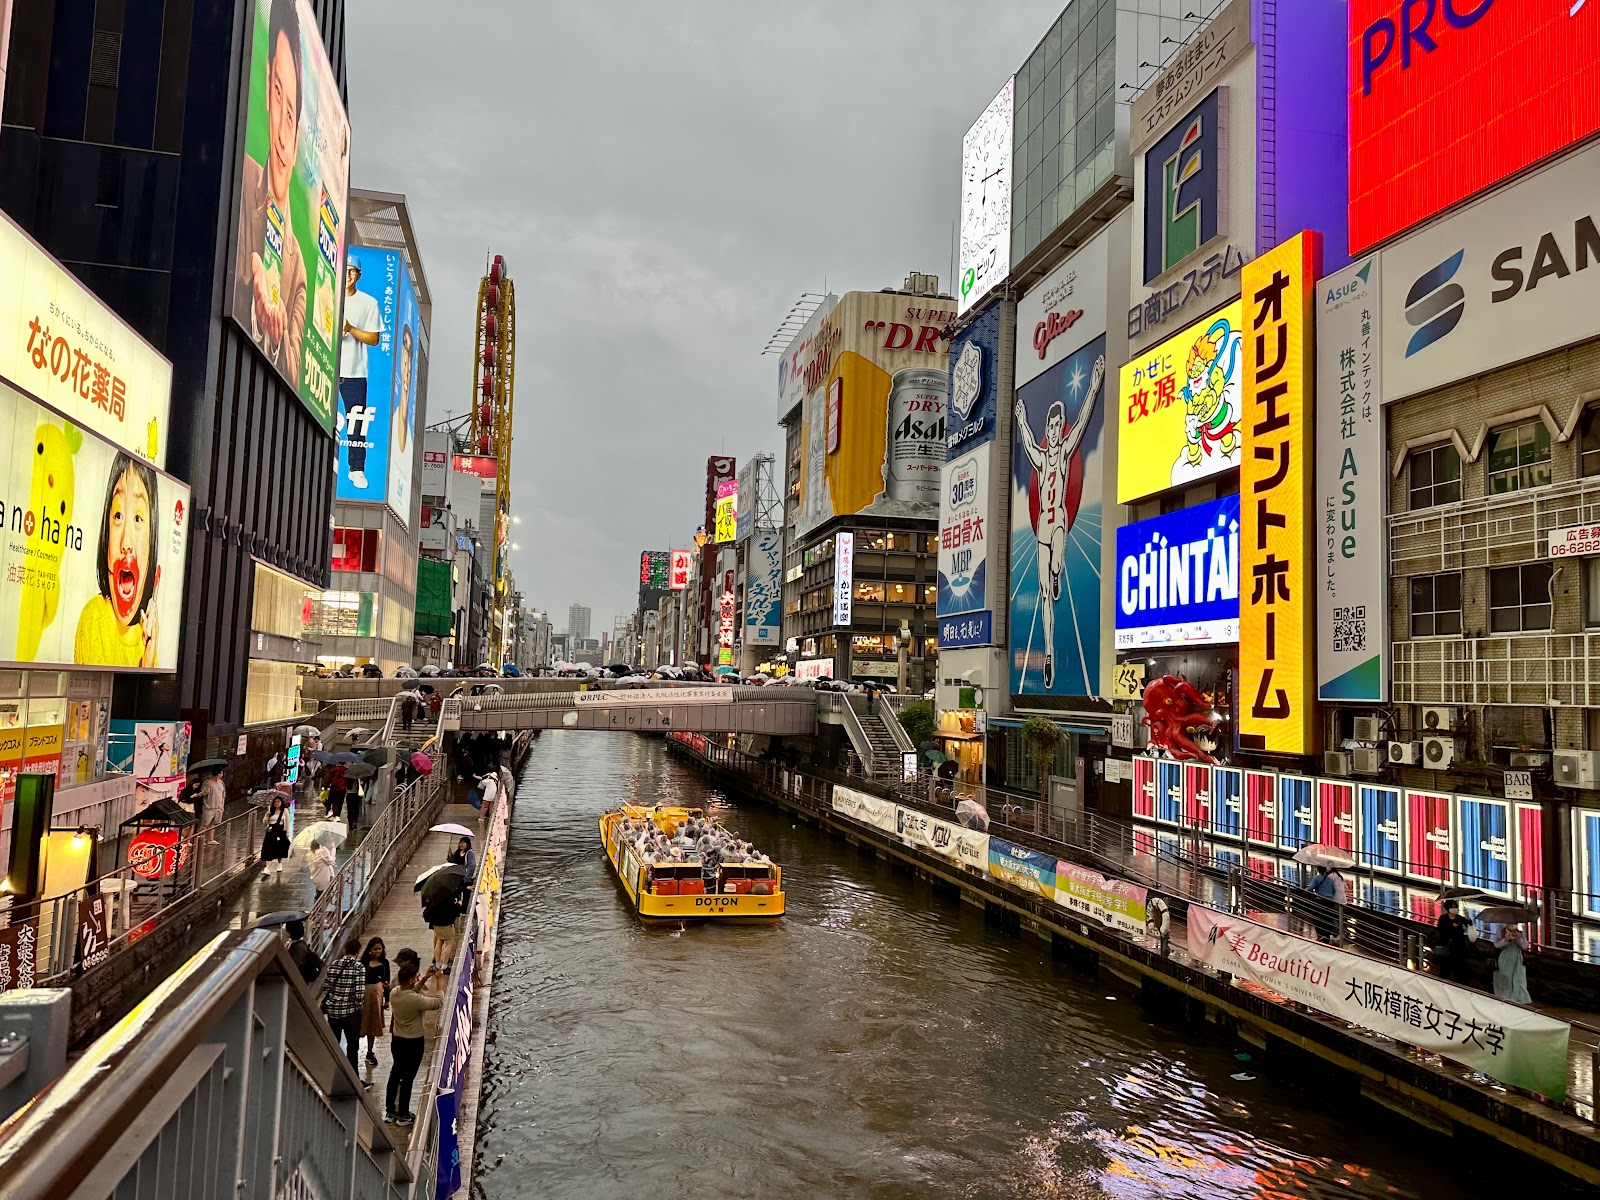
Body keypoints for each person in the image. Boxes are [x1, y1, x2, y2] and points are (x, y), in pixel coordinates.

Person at [1013, 354, 1104, 689]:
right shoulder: (1039, 458)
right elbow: (1024, 440)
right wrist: (1022, 419)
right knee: (1042, 596)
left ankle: (1057, 572)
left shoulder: (1064, 452)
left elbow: (1082, 422)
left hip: (1059, 521)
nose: (1053, 431)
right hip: (1041, 531)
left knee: (1056, 555)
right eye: (1049, 427)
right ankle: (1050, 651)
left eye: (1056, 425)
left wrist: (1093, 387)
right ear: (1046, 430)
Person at [232, 0, 310, 385]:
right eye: (277, 93)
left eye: (292, 115)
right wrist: (253, 279)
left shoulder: (298, 271)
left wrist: (275, 333)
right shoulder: (240, 180)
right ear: (265, 89)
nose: (280, 131)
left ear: (298, 140)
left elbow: (296, 373)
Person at [74, 452, 163, 667]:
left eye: (138, 518)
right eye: (118, 516)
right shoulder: (94, 619)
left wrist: (149, 659)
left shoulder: (145, 635)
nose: (126, 542)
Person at [338, 258, 383, 491]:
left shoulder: (369, 303)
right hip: (326, 363)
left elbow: (374, 339)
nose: (348, 275)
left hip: (354, 371)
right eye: (344, 270)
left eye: (353, 271)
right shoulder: (328, 291)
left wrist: (350, 329)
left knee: (355, 424)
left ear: (359, 275)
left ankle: (356, 469)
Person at [385, 960, 440, 1126]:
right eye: (416, 977)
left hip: (397, 1040)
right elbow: (437, 1003)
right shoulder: (415, 1000)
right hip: (413, 1043)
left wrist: (424, 980)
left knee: (395, 1073)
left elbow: (411, 993)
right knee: (408, 1078)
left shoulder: (395, 992)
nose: (418, 978)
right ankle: (403, 1114)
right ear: (410, 980)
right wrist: (439, 983)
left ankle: (390, 1111)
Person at [321, 938, 367, 1074]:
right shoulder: (359, 967)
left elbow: (326, 987)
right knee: (352, 1047)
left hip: (333, 1012)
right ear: (358, 952)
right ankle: (353, 1076)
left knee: (334, 1044)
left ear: (345, 950)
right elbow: (359, 993)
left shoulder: (334, 964)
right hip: (350, 1013)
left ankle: (333, 1073)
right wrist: (358, 1006)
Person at [360, 936, 391, 1067]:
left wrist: (387, 999)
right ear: (369, 950)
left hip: (377, 997)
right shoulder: (363, 963)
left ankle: (370, 1051)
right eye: (375, 949)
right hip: (363, 996)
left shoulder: (385, 963)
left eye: (379, 949)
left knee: (372, 1024)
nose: (377, 951)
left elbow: (387, 982)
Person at [1433, 899, 1473, 982]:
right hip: (1447, 946)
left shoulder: (1459, 918)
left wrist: (1468, 918)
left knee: (1458, 966)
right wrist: (1452, 927)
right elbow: (1441, 930)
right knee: (1445, 965)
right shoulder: (1443, 918)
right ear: (1448, 909)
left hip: (1458, 947)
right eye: (1452, 907)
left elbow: (1469, 925)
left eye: (1456, 907)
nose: (1455, 909)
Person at [1493, 924, 1532, 1003]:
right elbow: (1497, 945)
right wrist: (1506, 939)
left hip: (1517, 958)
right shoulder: (1501, 932)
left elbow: (1525, 946)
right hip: (1505, 957)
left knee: (1518, 976)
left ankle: (1519, 996)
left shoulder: (1520, 933)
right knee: (1506, 976)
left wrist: (1519, 938)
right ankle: (1505, 995)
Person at [424, 890, 461, 970]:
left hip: (436, 925)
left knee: (439, 941)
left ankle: (437, 963)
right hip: (447, 924)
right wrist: (459, 905)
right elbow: (453, 910)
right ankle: (444, 964)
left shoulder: (433, 895)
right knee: (449, 944)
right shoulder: (447, 895)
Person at [1308, 866, 1343, 944]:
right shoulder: (1329, 879)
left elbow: (1310, 888)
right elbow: (1333, 891)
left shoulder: (1316, 878)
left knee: (1317, 918)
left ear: (1318, 870)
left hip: (1320, 901)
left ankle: (1320, 935)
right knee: (1327, 919)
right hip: (1329, 902)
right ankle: (1327, 936)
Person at [260, 794, 291, 879]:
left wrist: (287, 833)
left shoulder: (285, 811)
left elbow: (287, 822)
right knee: (268, 849)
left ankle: (279, 863)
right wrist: (267, 815)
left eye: (278, 802)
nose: (276, 803)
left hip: (280, 832)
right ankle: (267, 868)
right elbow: (264, 822)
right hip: (270, 832)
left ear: (281, 802)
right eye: (275, 802)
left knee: (279, 849)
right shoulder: (270, 810)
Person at [285, 918, 322, 984]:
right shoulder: (300, 944)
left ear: (290, 932)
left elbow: (295, 965)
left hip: (299, 981)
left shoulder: (298, 947)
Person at [198, 768, 226, 844]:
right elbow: (204, 792)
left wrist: (222, 805)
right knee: (205, 824)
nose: (222, 775)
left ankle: (211, 839)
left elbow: (223, 794)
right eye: (221, 773)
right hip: (209, 806)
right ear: (218, 774)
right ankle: (200, 839)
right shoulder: (208, 782)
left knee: (214, 823)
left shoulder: (221, 783)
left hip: (219, 806)